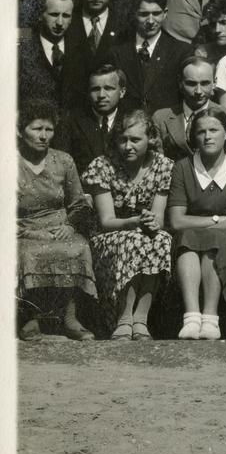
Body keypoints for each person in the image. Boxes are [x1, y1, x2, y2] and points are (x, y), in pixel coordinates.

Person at [83, 109, 175, 340]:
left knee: (161, 239)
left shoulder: (163, 166)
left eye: (135, 140)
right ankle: (124, 318)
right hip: (110, 236)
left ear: (150, 139)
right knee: (132, 240)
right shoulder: (102, 166)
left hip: (144, 233)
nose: (128, 146)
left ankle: (141, 318)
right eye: (123, 140)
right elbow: (106, 221)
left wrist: (151, 223)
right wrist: (133, 222)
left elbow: (159, 217)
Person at [167, 106, 226, 340]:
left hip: (225, 239)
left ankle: (211, 318)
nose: (207, 136)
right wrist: (215, 219)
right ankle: (191, 317)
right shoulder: (183, 167)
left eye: (214, 130)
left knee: (215, 240)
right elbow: (176, 220)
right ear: (194, 136)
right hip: (190, 236)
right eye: (201, 131)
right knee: (186, 238)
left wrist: (199, 223)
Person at [17, 101, 98, 341]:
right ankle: (30, 318)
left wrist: (70, 226)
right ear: (21, 131)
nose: (43, 136)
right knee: (28, 253)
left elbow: (79, 203)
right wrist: (31, 232)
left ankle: (69, 318)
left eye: (49, 129)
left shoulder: (63, 161)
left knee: (78, 247)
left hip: (61, 227)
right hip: (24, 230)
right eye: (36, 129)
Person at [114, 0, 195, 114]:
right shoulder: (117, 52)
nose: (151, 21)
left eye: (156, 14)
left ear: (165, 14)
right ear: (134, 14)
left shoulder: (182, 51)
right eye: (144, 14)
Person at [61, 61, 129, 173]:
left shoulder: (132, 120)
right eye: (95, 89)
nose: (101, 95)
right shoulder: (71, 122)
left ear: (122, 92)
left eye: (108, 88)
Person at [18, 0, 81, 107]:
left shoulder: (81, 51)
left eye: (66, 16)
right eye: (54, 14)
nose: (60, 23)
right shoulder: (22, 54)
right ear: (40, 15)